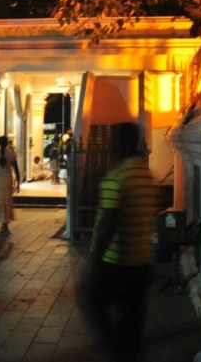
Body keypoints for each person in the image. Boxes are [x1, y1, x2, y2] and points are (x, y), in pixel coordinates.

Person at [79, 122, 158, 362]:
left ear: (119, 144)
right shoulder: (146, 175)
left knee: (90, 300)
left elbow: (107, 225)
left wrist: (94, 261)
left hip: (116, 263)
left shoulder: (116, 177)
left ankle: (116, 350)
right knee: (132, 317)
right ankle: (128, 354)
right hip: (141, 261)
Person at [0, 136, 21, 234]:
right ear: (7, 143)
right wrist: (18, 182)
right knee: (7, 201)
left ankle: (2, 224)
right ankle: (5, 224)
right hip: (7, 180)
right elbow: (16, 169)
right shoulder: (11, 154)